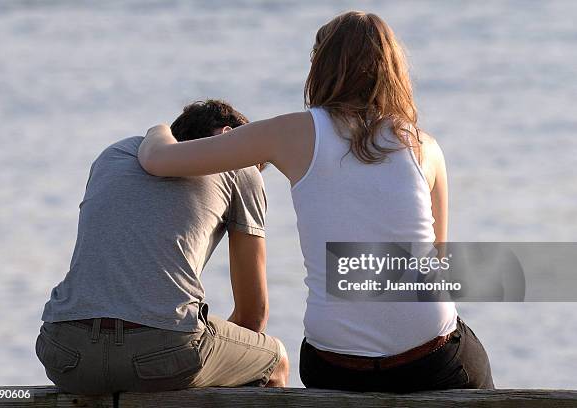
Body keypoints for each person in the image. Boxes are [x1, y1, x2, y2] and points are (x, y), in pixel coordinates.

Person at [137, 12, 494, 392]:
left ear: (321, 67)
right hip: (428, 359)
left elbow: (158, 161)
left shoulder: (291, 132)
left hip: (335, 362)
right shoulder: (425, 147)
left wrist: (157, 129)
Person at [37, 100, 289, 395]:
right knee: (275, 361)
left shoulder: (114, 155)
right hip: (163, 351)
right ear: (227, 135)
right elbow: (252, 316)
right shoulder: (240, 164)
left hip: (64, 350)